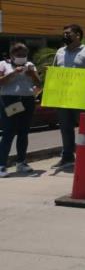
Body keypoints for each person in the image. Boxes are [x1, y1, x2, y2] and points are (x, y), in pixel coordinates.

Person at [52, 24, 85, 169]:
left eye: (68, 33)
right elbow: (54, 71)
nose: (65, 36)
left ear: (78, 35)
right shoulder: (60, 52)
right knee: (65, 128)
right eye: (64, 33)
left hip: (81, 97)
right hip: (63, 97)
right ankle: (67, 157)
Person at [0, 43, 41, 177]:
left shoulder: (30, 65)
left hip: (27, 100)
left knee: (24, 132)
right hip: (10, 100)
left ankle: (21, 163)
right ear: (12, 55)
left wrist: (32, 74)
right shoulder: (3, 65)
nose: (22, 57)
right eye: (18, 55)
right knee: (8, 132)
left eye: (24, 55)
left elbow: (39, 83)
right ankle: (2, 165)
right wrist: (13, 73)